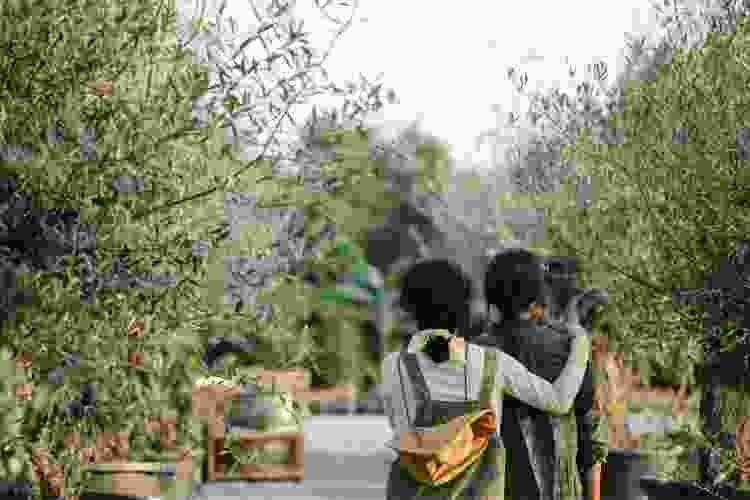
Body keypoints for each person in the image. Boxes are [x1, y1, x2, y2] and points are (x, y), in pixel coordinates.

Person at [381, 259, 591, 499]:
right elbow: (559, 400)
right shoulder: (491, 363)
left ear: (409, 310)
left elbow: (399, 424)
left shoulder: (393, 367)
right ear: (464, 310)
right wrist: (580, 345)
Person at [472, 249, 608, 500]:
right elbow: (590, 441)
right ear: (538, 296)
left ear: (491, 297)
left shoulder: (471, 354)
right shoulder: (570, 349)